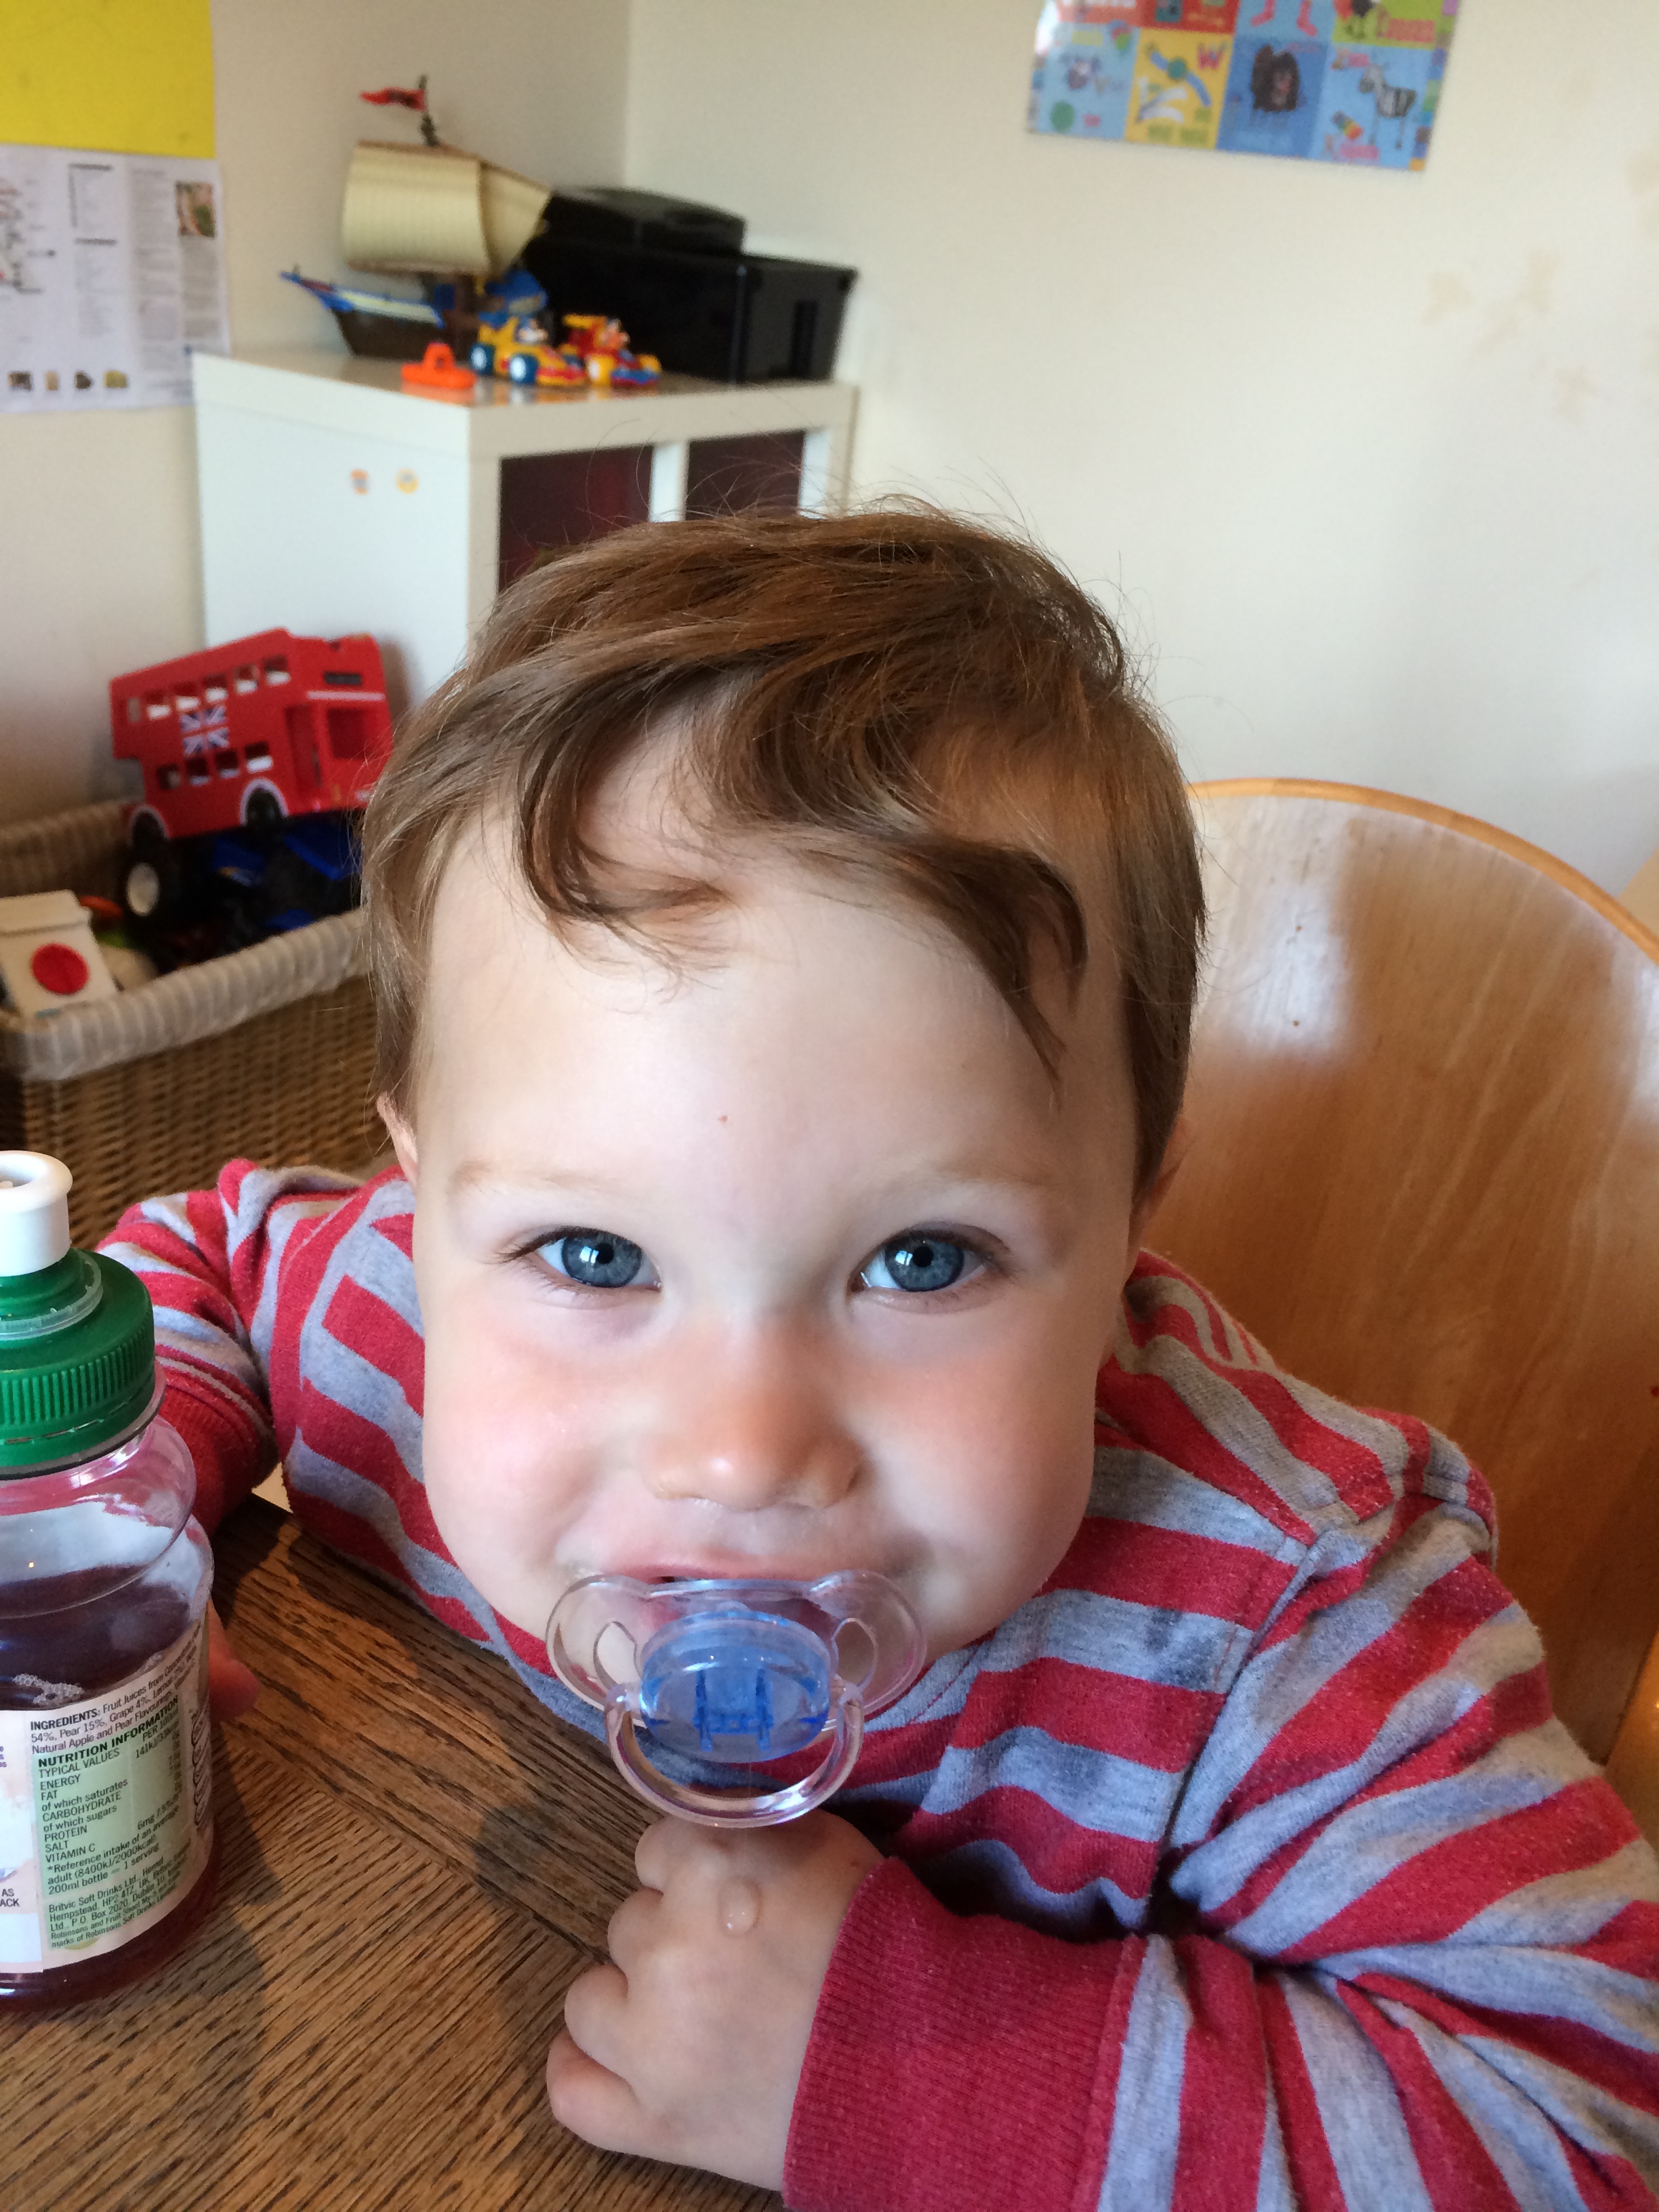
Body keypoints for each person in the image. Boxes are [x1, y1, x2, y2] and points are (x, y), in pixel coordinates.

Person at [107, 511, 1659, 2210]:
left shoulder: (1285, 1628)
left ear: (1131, 1217)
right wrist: (112, 1517)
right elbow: (199, 1258)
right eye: (596, 1256)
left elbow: (1588, 2124)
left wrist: (906, 2066)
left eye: (923, 1260)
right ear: (422, 1196)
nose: (740, 1450)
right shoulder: (395, 1318)